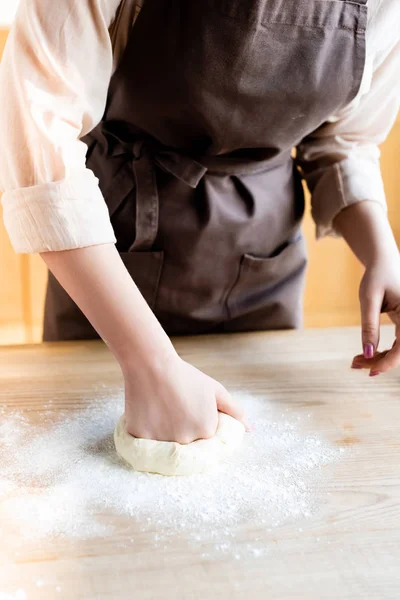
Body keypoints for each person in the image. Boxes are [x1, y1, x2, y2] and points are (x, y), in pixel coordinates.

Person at [0, 0, 399, 443]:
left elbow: (343, 142)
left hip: (264, 257)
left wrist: (383, 253)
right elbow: (41, 141)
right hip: (111, 249)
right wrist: (148, 363)